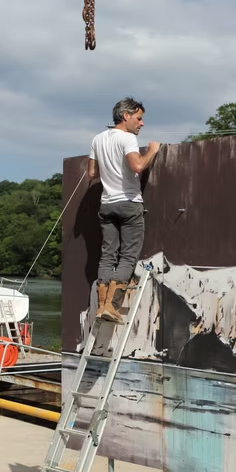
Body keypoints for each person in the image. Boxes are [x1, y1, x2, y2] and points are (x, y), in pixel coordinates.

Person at [88, 97, 161, 323]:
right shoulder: (127, 138)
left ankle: (102, 306)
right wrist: (152, 150)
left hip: (107, 204)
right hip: (128, 203)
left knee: (108, 256)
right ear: (126, 116)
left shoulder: (97, 139)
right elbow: (137, 166)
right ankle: (113, 306)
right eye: (139, 119)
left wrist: (111, 171)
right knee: (128, 256)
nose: (141, 124)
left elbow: (92, 173)